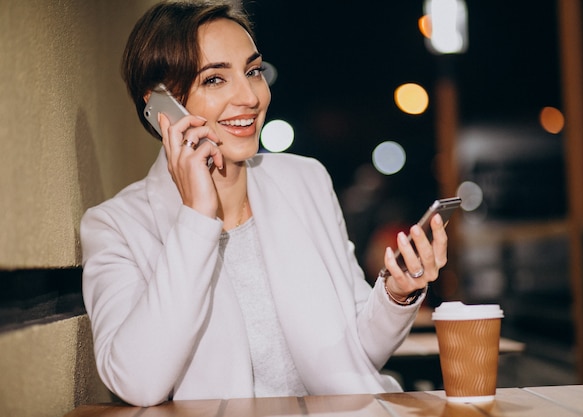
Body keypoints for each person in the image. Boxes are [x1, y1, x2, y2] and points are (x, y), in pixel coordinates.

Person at [80, 0, 449, 407]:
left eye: (253, 71)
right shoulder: (116, 226)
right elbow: (137, 383)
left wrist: (396, 294)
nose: (250, 97)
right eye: (215, 80)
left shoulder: (305, 180)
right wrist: (197, 217)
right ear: (160, 108)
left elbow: (353, 357)